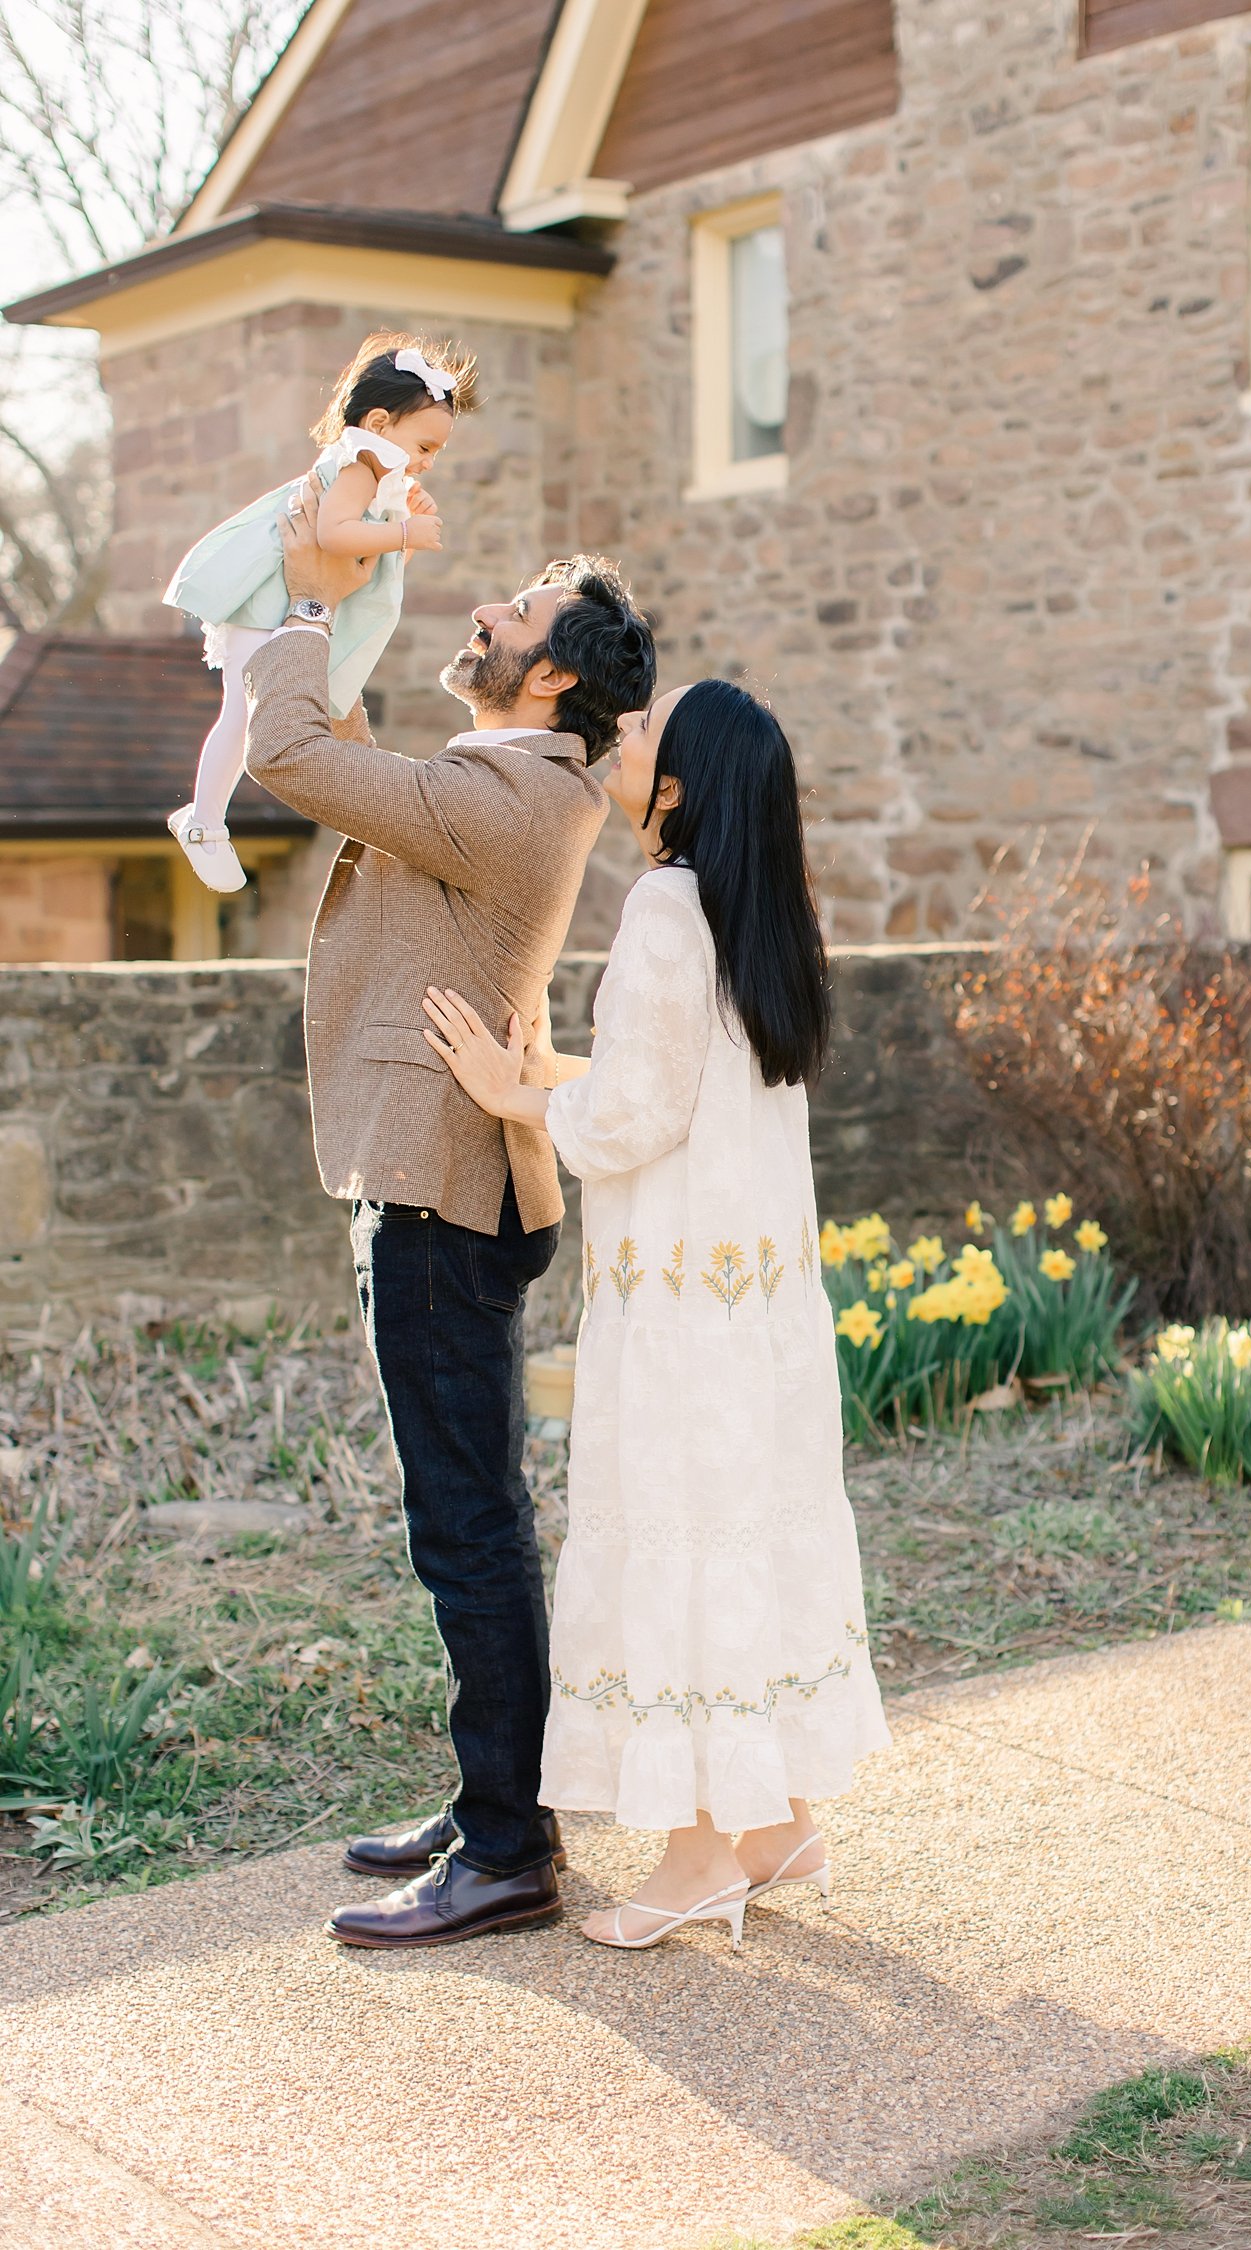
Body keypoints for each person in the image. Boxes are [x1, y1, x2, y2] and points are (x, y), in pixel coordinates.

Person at [238, 495, 656, 1949]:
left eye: (518, 611)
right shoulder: (511, 776)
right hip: (452, 1181)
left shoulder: (510, 799)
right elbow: (352, 760)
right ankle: (505, 1799)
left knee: (467, 1525)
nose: (487, 612)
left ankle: (503, 1851)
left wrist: (302, 601)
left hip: (441, 1195)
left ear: (553, 676)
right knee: (477, 1520)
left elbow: (293, 755)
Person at [419, 680, 890, 1952]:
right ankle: (781, 1820)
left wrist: (508, 1096)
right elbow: (678, 1084)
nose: (620, 735)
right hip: (764, 1314)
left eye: (639, 735)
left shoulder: (667, 905)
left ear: (673, 790)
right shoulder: (764, 913)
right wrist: (549, 1072)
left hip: (686, 1314)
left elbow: (631, 1121)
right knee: (746, 1539)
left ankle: (698, 1857)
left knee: (687, 1547)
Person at [162, 330, 476, 893]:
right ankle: (204, 820)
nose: (429, 462)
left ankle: (206, 817)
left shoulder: (373, 472)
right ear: (379, 425)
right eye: (426, 447)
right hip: (268, 605)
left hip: (276, 606)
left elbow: (354, 546)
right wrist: (405, 530)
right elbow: (333, 536)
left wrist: (397, 515)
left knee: (246, 713)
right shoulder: (360, 465)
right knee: (244, 716)